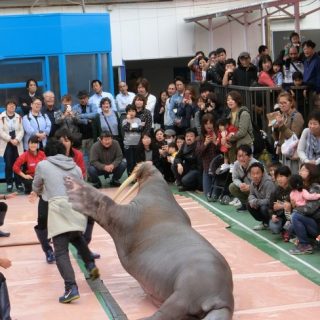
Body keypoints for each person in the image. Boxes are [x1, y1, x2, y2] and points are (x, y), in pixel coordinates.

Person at [30, 139, 99, 303]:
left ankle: (71, 288)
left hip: (58, 207)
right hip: (76, 206)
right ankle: (91, 266)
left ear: (47, 152)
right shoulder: (75, 167)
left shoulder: (43, 165)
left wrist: (36, 191)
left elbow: (36, 184)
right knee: (76, 237)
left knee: (60, 250)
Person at [289, 163, 320, 254]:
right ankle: (310, 242)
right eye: (300, 170)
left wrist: (295, 209)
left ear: (311, 172)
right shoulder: (301, 188)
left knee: (295, 216)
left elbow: (310, 209)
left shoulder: (316, 187)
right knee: (291, 227)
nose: (300, 172)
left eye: (303, 170)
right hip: (312, 221)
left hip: (317, 223)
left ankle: (304, 245)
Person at [272, 91, 304, 173]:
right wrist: (274, 128)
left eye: (284, 103)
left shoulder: (297, 116)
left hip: (293, 154)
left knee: (293, 176)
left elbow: (294, 137)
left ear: (291, 103)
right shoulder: (283, 115)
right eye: (280, 103)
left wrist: (281, 125)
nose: (282, 105)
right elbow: (278, 137)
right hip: (284, 153)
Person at [0, 99, 24, 192]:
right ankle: (9, 183)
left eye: (13, 105)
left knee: (18, 163)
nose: (12, 107)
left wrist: (17, 139)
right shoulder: (1, 117)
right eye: (10, 105)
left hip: (17, 142)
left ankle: (18, 184)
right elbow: (0, 131)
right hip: (7, 142)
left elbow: (22, 130)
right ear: (6, 106)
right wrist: (10, 139)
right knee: (9, 164)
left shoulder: (19, 117)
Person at [225, 91, 253, 163]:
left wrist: (229, 138)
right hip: (234, 147)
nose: (230, 101)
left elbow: (242, 132)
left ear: (237, 101)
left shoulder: (244, 113)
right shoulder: (229, 115)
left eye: (232, 99)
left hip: (244, 145)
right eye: (228, 100)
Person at [196, 114, 219, 200]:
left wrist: (215, 142)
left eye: (210, 123)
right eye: (206, 123)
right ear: (203, 125)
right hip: (206, 168)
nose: (208, 125)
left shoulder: (219, 134)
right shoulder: (201, 137)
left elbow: (223, 151)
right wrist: (205, 143)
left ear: (214, 124)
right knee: (207, 195)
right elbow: (198, 153)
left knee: (214, 196)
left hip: (218, 170)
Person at [229, 145, 259, 211]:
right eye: (239, 156)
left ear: (250, 156)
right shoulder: (236, 164)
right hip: (245, 187)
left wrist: (250, 186)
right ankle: (245, 204)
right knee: (232, 186)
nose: (241, 159)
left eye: (244, 156)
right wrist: (240, 185)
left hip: (257, 189)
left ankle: (257, 204)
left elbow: (261, 182)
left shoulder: (256, 165)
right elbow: (235, 178)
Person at [247, 162, 276, 230]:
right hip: (261, 203)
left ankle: (269, 222)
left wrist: (256, 202)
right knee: (248, 204)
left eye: (257, 173)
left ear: (262, 173)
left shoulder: (268, 183)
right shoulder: (252, 182)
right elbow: (251, 194)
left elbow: (269, 201)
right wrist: (252, 201)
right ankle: (265, 222)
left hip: (273, 208)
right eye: (253, 173)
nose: (255, 176)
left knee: (264, 208)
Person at [72, 90, 98, 165]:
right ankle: (82, 175)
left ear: (88, 98)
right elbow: (75, 119)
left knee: (92, 157)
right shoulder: (75, 107)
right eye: (81, 98)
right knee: (80, 158)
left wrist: (81, 115)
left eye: (84, 98)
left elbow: (95, 115)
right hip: (80, 136)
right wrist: (87, 120)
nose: (82, 100)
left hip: (91, 136)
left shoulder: (93, 105)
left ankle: (90, 176)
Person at [268, 166, 292, 239]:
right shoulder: (275, 191)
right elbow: (270, 208)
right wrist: (272, 215)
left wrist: (282, 206)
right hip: (280, 216)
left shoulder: (293, 189)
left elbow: (297, 206)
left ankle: (288, 230)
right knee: (274, 228)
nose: (279, 179)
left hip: (291, 216)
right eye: (277, 177)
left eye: (281, 176)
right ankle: (284, 229)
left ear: (288, 176)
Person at [122, 104, 142, 175]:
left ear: (135, 112)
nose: (131, 112)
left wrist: (131, 128)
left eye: (133, 111)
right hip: (128, 144)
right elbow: (126, 129)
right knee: (130, 161)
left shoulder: (138, 120)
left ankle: (136, 175)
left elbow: (140, 129)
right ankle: (130, 176)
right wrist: (128, 121)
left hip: (137, 144)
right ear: (127, 112)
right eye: (129, 111)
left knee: (136, 161)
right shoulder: (124, 120)